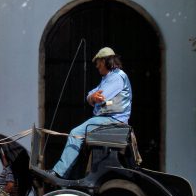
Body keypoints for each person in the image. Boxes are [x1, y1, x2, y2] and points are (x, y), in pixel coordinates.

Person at [47, 47, 132, 178]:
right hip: (106, 119)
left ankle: (59, 172)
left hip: (113, 120)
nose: (97, 68)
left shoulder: (117, 77)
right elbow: (91, 95)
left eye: (98, 64)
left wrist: (93, 98)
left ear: (104, 61)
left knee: (76, 133)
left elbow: (100, 97)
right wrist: (92, 97)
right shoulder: (108, 78)